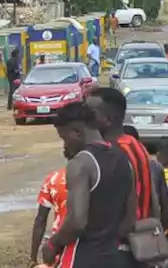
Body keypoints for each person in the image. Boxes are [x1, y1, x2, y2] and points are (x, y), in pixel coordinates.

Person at [41, 102, 137, 268]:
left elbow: (77, 221)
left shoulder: (81, 163)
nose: (65, 145)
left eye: (64, 138)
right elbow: (130, 220)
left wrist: (52, 244)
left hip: (81, 257)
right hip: (114, 257)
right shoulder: (124, 161)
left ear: (77, 132)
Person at [88, 88, 158, 223]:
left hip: (121, 235)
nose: (84, 117)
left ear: (108, 119)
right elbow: (153, 197)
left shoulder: (112, 152)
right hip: (141, 232)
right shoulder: (136, 145)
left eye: (90, 113)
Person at [31, 158, 71, 265]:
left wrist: (33, 257)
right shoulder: (96, 178)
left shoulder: (53, 178)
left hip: (58, 245)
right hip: (90, 245)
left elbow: (41, 219)